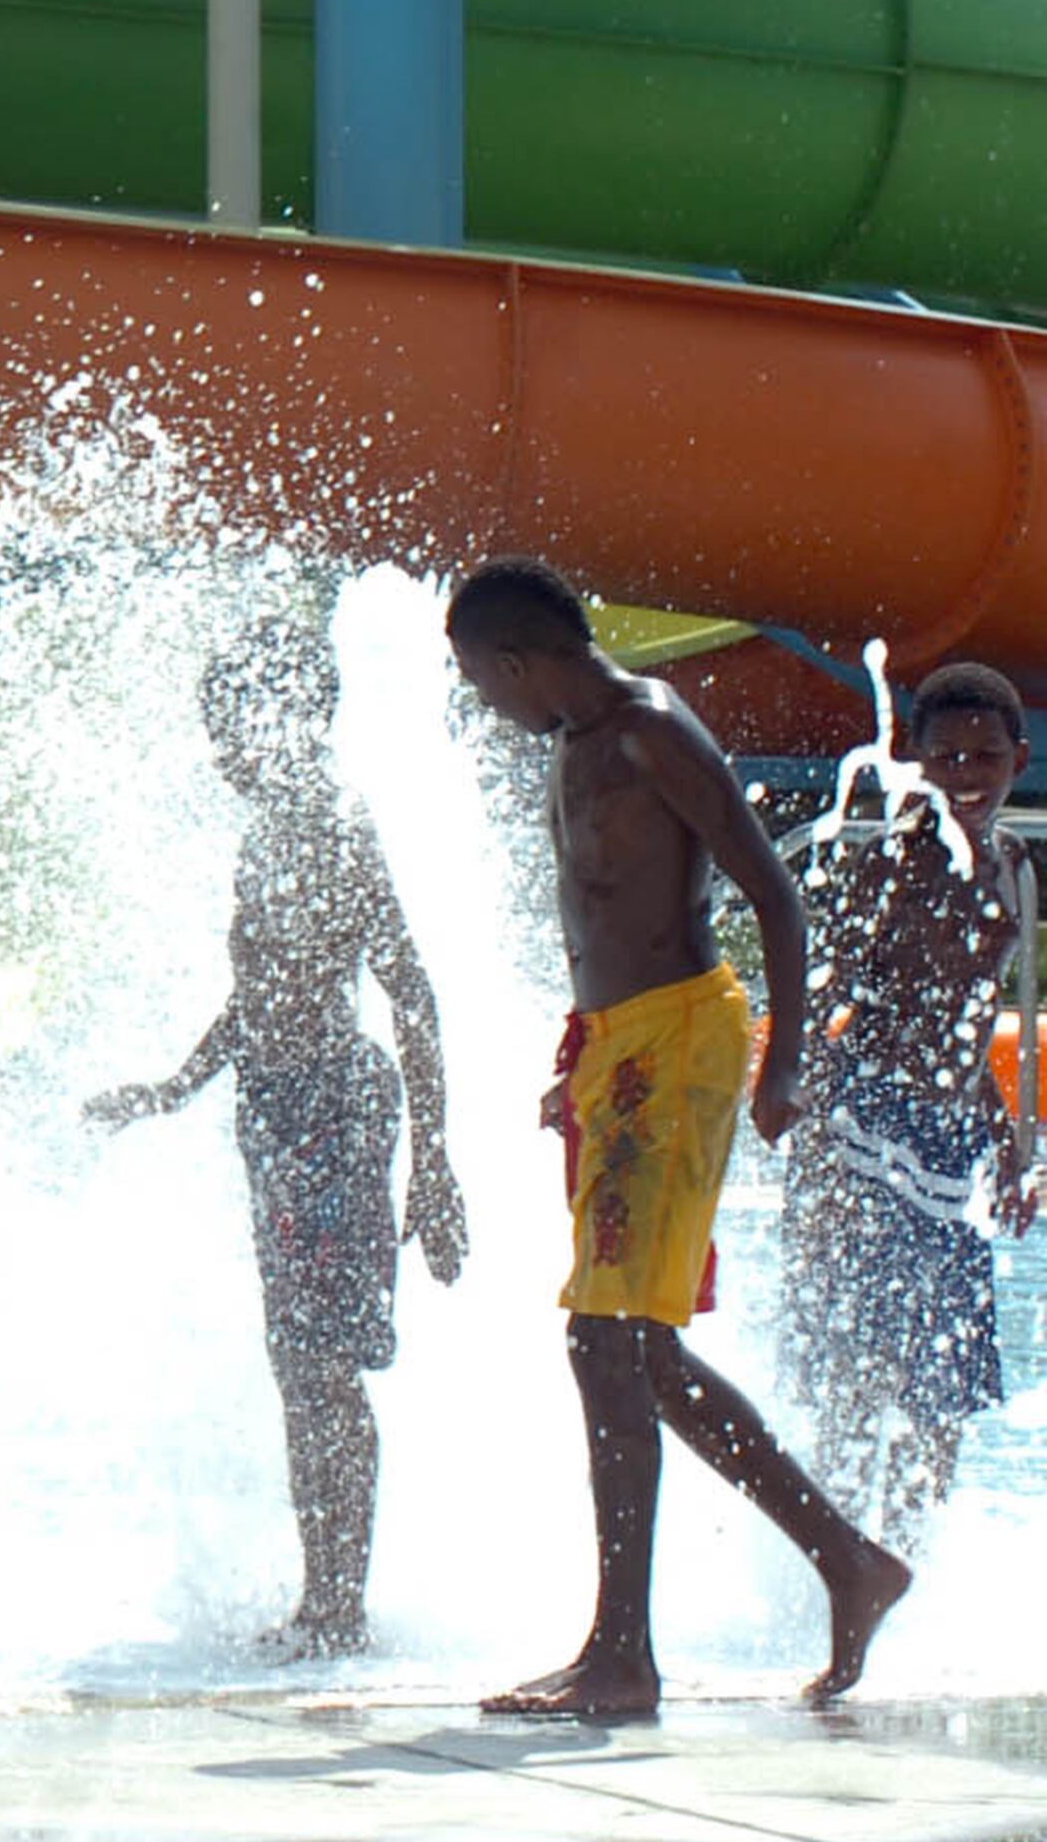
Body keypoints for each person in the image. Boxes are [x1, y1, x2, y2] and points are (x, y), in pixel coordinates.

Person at [443, 558, 908, 1718]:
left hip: (682, 1048)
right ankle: (847, 1564)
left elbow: (773, 896)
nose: (483, 705)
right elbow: (603, 916)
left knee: (608, 1344)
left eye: (477, 682)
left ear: (512, 660)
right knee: (631, 1352)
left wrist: (784, 1064)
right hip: (619, 1050)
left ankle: (624, 1658)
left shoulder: (650, 732)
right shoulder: (570, 739)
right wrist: (583, 1064)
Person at [85, 619, 466, 1658]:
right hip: (279, 1108)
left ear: (287, 719)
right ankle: (323, 1602)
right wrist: (174, 1087)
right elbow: (259, 987)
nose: (216, 752)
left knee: (320, 1369)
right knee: (299, 1366)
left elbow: (414, 994)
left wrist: (433, 1165)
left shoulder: (334, 825)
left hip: (335, 1113)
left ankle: (340, 1609)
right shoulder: (272, 831)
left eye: (228, 727)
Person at [780, 662, 1040, 1546]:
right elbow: (822, 1003)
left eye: (985, 756)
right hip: (865, 1130)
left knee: (942, 1389)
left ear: (1021, 758)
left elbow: (986, 1022)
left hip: (953, 1142)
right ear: (914, 762)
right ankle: (838, 1562)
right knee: (857, 1364)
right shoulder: (892, 864)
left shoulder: (1017, 873)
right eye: (946, 757)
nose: (967, 774)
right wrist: (806, 1129)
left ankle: (908, 1567)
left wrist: (1017, 1146)